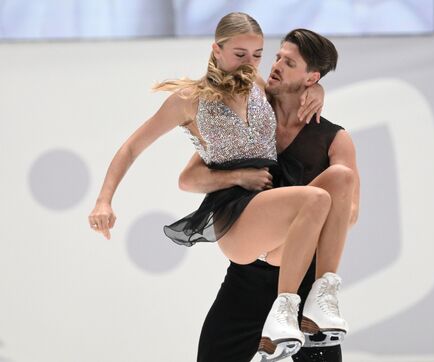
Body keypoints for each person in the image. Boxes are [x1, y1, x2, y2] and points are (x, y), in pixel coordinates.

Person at [88, 13, 350, 362]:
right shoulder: (188, 100)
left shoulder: (258, 85)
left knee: (339, 181)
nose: (252, 63)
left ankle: (320, 299)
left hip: (270, 215)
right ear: (217, 49)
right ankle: (285, 311)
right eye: (240, 54)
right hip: (234, 211)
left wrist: (316, 88)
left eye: (258, 54)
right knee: (315, 199)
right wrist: (104, 201)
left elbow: (294, 85)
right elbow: (132, 147)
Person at [179, 29, 360, 362]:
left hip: (303, 276)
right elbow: (190, 178)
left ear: (312, 77)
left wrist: (302, 223)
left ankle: (317, 299)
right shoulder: (251, 114)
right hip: (248, 277)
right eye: (277, 56)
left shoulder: (334, 138)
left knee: (339, 179)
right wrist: (239, 176)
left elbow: (350, 213)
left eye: (288, 62)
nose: (275, 65)